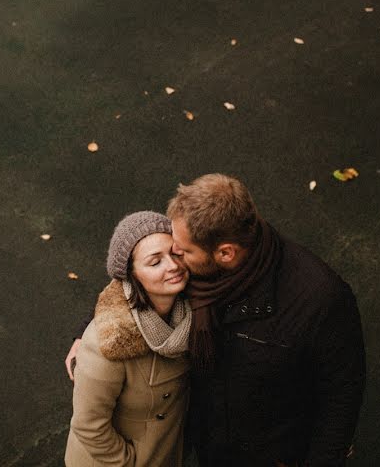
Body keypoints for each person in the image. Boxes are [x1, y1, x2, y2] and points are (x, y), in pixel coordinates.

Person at [66, 175, 365, 466]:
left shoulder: (320, 298)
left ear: (224, 253)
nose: (175, 258)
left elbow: (342, 392)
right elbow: (137, 263)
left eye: (182, 251)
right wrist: (91, 327)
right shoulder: (202, 238)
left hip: (270, 451)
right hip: (209, 441)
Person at [65, 211, 192, 467]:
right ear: (132, 276)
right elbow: (89, 426)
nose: (173, 265)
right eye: (155, 262)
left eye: (175, 253)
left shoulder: (190, 309)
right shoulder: (108, 342)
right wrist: (129, 462)